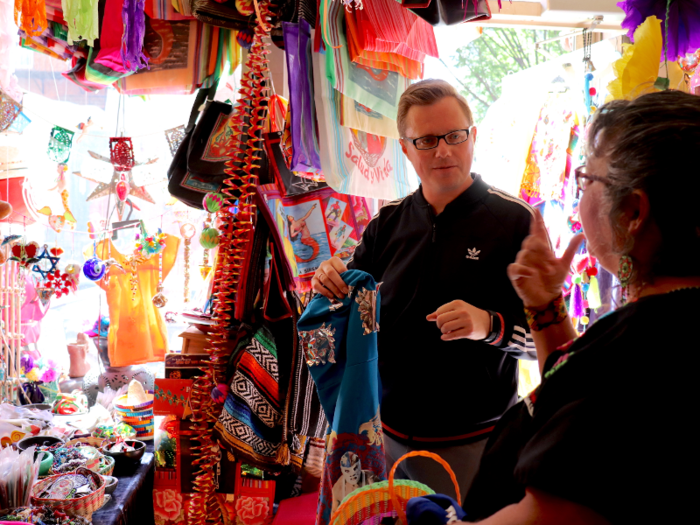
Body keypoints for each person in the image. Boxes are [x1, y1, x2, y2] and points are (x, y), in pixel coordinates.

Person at [460, 90, 700, 524]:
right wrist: (545, 307)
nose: (580, 191)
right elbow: (581, 402)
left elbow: (551, 515)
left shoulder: (641, 355)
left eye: (588, 179)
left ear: (632, 211)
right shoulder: (662, 327)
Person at [313, 79, 536, 499]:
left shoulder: (515, 222)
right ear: (405, 148)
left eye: (454, 136)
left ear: (473, 136)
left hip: (480, 441)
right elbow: (347, 303)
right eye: (427, 140)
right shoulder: (387, 224)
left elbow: (546, 342)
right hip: (388, 437)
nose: (443, 151)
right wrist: (328, 283)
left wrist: (487, 324)